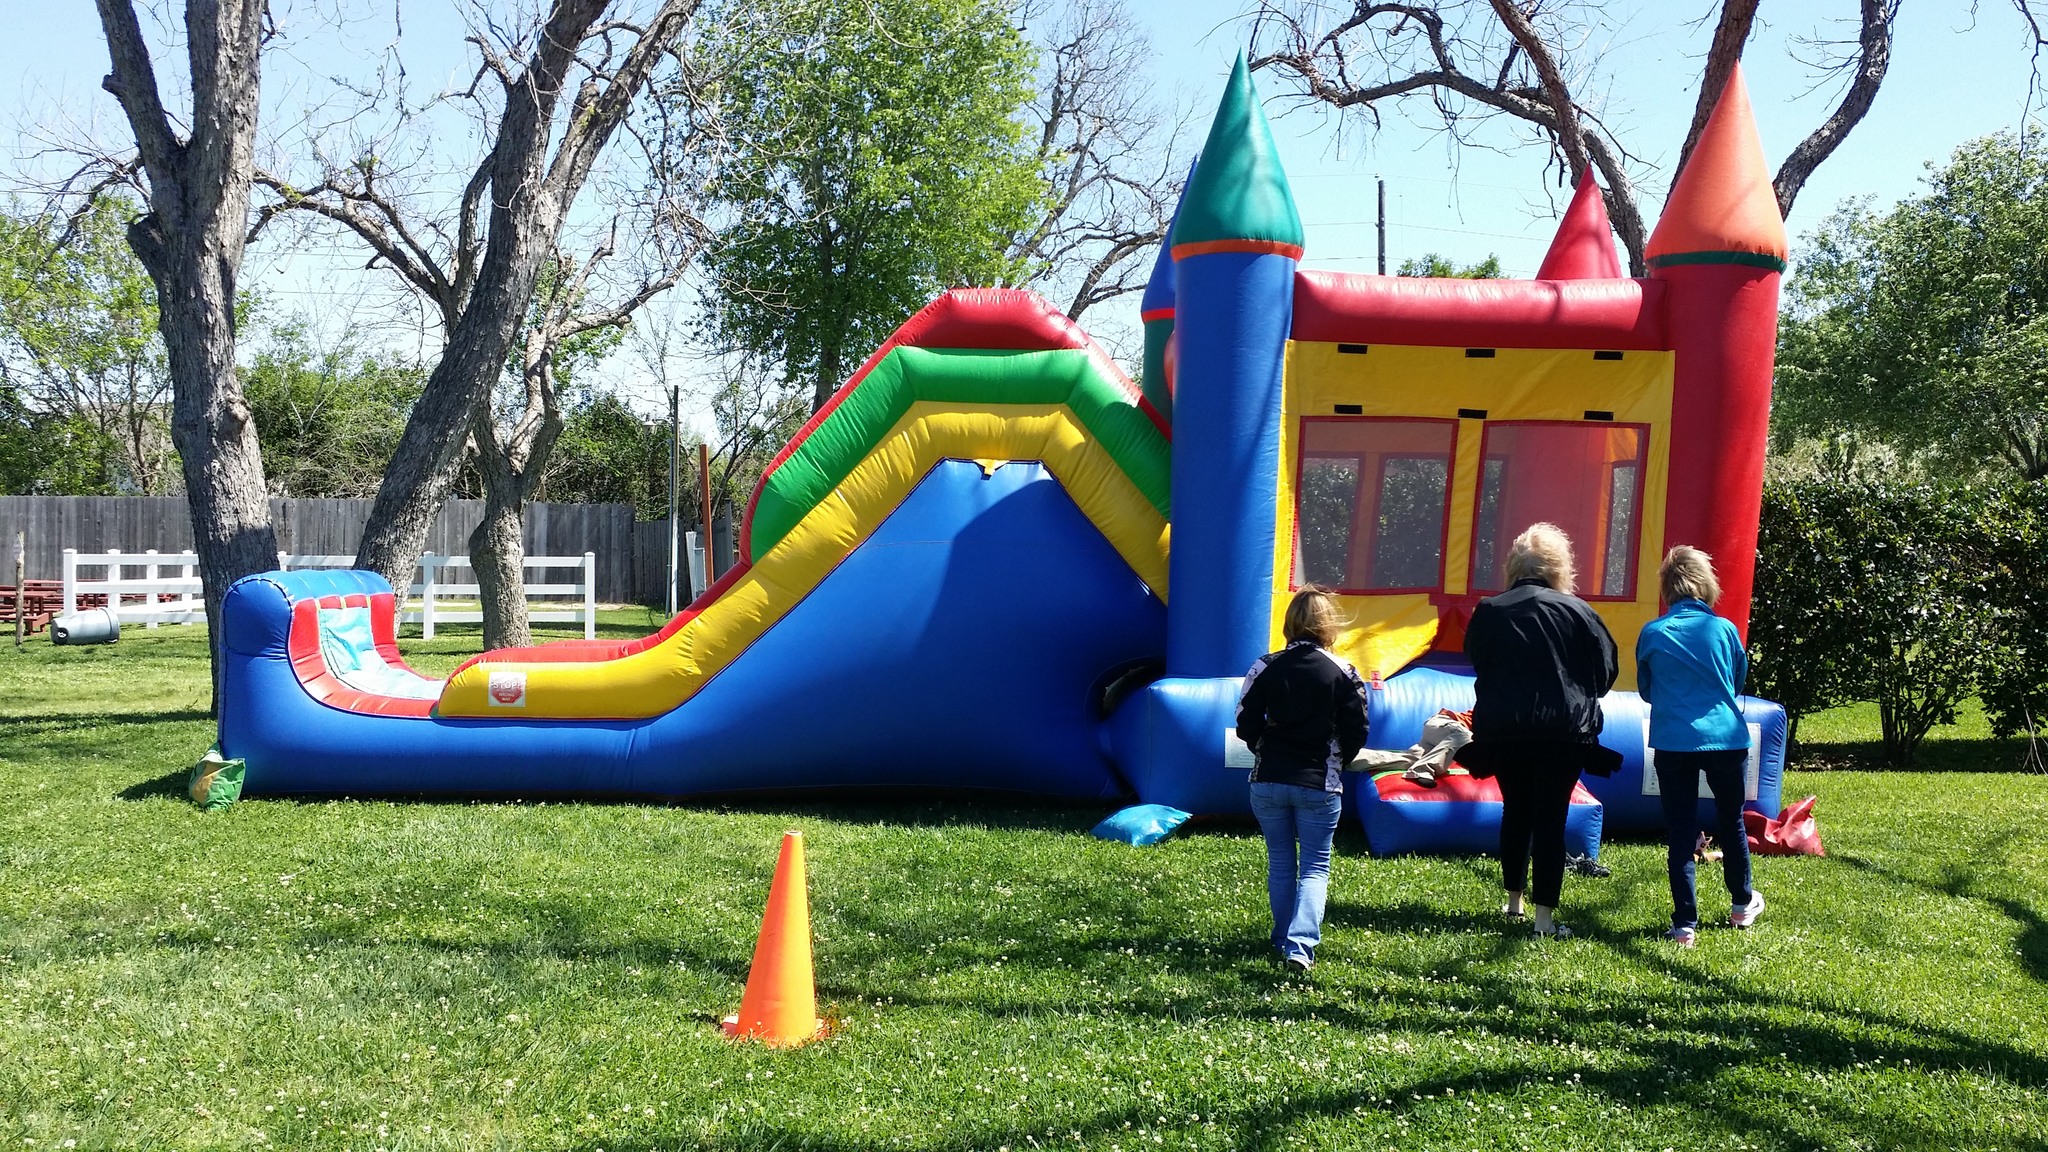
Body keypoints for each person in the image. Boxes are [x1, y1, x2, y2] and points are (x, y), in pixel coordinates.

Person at [1460, 523, 1619, 940]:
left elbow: (1478, 661)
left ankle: (1514, 899)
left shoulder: (1490, 611)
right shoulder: (1580, 612)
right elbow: (1604, 675)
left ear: (1514, 566)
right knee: (1551, 817)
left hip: (1506, 729)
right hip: (1564, 733)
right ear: (1560, 567)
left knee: (1515, 810)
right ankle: (1544, 920)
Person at [1236, 585, 1370, 973]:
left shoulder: (1265, 665)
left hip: (1269, 778)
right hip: (1318, 781)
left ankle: (1281, 937)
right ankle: (1301, 946)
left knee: (1280, 860)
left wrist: (1263, 745)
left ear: (1290, 623)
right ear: (1329, 626)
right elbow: (1357, 728)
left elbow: (1245, 720)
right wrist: (1338, 759)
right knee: (1315, 865)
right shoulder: (1343, 672)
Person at [1637, 545, 1763, 947]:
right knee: (1732, 821)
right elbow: (1737, 681)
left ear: (1667, 589)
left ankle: (1685, 924)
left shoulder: (1653, 633)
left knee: (1679, 830)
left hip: (1674, 742)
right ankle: (1742, 903)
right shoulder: (1725, 630)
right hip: (1726, 738)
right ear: (1707, 586)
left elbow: (1646, 690)